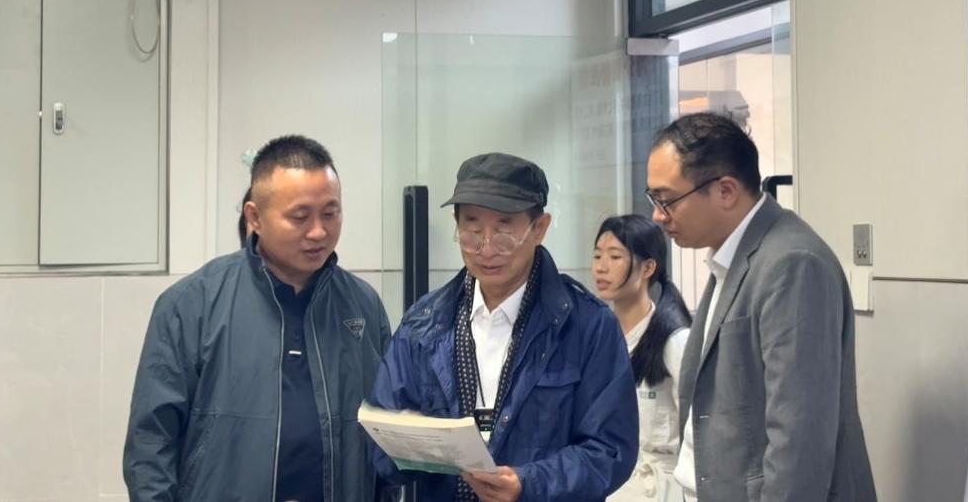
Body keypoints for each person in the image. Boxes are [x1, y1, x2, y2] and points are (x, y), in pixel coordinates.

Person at [124, 134, 394, 502]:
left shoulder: (362, 305)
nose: (319, 231)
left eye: (331, 213)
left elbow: (385, 435)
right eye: (300, 216)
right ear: (255, 217)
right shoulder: (192, 304)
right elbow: (150, 443)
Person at [368, 152, 639, 502]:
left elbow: (609, 451)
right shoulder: (424, 322)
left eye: (504, 230)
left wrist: (529, 483)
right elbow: (382, 448)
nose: (486, 248)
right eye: (472, 229)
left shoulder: (588, 325)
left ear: (539, 228)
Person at [644, 113, 876, 501]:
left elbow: (798, 439)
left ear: (725, 191)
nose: (657, 215)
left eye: (667, 200)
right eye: (654, 199)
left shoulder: (792, 263)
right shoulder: (731, 257)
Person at [592, 215, 691, 502]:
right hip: (610, 482)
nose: (601, 267)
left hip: (661, 489)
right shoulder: (598, 338)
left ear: (648, 267)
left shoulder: (674, 341)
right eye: (597, 255)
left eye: (615, 257)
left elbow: (698, 429)